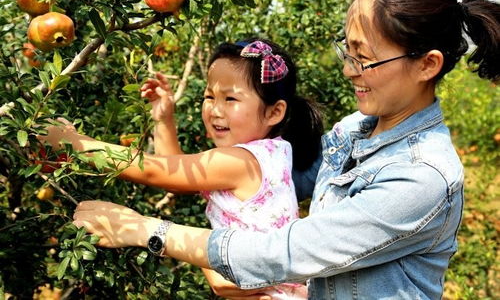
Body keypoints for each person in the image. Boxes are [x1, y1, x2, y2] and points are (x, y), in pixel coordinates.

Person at [58, 0, 500, 298]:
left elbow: (286, 253)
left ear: (428, 64)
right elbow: (267, 184)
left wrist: (146, 229)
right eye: (347, 50)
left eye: (364, 58)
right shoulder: (352, 133)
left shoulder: (424, 177)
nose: (348, 70)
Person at [39, 38, 323, 299]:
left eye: (231, 99)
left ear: (274, 112)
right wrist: (164, 119)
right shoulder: (272, 152)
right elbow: (178, 175)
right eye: (209, 96)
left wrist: (76, 144)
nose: (215, 109)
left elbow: (156, 171)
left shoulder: (242, 162)